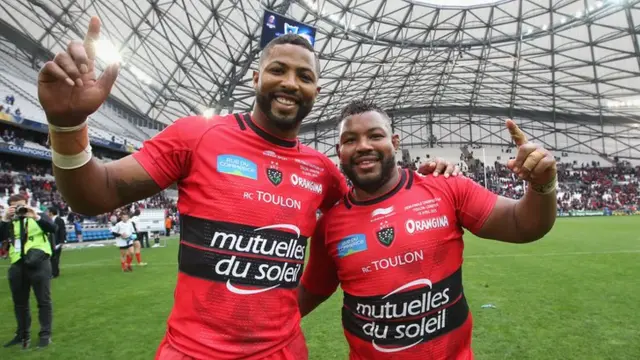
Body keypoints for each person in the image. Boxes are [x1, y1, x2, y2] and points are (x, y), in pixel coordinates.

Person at [37, 16, 458, 360]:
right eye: (278, 70)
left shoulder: (321, 172)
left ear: (316, 89)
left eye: (304, 75)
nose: (291, 82)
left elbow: (374, 201)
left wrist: (427, 180)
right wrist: (67, 126)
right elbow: (96, 194)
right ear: (255, 77)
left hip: (285, 352)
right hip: (192, 353)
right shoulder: (197, 137)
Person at [298, 100, 558, 360]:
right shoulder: (330, 225)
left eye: (375, 136)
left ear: (395, 142)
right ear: (339, 150)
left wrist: (543, 183)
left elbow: (522, 225)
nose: (364, 146)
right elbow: (310, 292)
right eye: (350, 140)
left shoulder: (446, 187)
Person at [1, 194, 58, 349]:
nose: (19, 209)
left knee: (43, 301)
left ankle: (45, 335)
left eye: (21, 205)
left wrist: (35, 216)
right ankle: (22, 334)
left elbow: (53, 229)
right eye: (15, 206)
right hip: (17, 264)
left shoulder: (36, 217)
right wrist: (5, 219)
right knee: (19, 303)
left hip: (38, 262)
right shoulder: (9, 221)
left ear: (27, 204)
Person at [45, 207, 66, 278]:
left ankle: (55, 273)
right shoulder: (48, 220)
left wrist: (62, 241)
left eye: (47, 211)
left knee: (55, 258)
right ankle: (52, 272)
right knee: (51, 258)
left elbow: (62, 230)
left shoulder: (59, 220)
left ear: (51, 212)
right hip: (50, 241)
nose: (46, 213)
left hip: (57, 242)